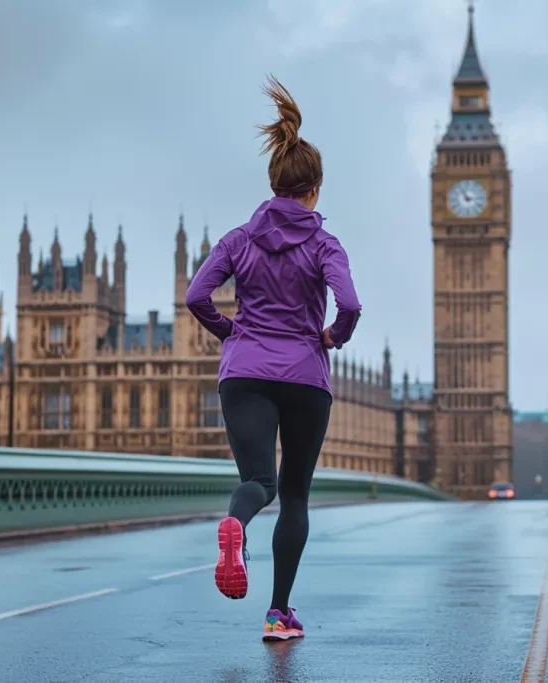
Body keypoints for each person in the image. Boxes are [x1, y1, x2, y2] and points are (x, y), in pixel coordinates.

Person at [186, 75, 361, 642]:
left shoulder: (238, 239)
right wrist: (333, 335)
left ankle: (235, 523)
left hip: (244, 372)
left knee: (258, 480)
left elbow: (195, 296)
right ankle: (278, 613)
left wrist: (230, 332)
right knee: (295, 493)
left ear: (272, 183)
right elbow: (351, 304)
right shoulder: (324, 244)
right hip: (306, 376)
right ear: (314, 189)